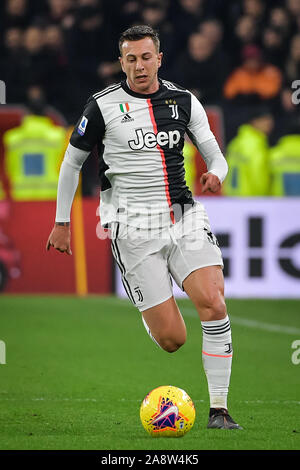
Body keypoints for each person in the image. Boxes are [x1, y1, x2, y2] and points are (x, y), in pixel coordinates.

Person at [46, 25, 242, 430]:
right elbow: (71, 163)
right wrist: (62, 221)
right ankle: (150, 307)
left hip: (183, 218)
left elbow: (215, 155)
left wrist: (216, 175)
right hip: (131, 229)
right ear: (122, 63)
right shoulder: (101, 106)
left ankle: (219, 411)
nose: (139, 66)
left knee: (214, 302)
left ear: (159, 59)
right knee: (173, 340)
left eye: (146, 57)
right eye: (131, 59)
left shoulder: (184, 101)